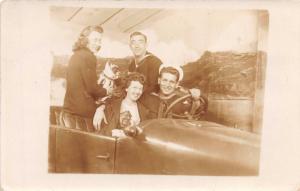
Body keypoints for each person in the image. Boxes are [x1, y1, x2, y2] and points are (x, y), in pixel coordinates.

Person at [60, 25, 112, 132]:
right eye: (95, 40)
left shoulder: (76, 55)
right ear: (86, 40)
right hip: (83, 111)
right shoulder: (89, 57)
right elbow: (92, 88)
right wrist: (107, 90)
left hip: (70, 108)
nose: (98, 44)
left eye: (99, 40)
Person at [140, 66, 208, 119]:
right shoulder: (148, 98)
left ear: (177, 84)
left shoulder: (183, 102)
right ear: (159, 80)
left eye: (171, 82)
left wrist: (196, 99)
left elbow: (197, 113)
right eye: (165, 80)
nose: (167, 85)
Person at [99, 72, 150, 136]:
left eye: (140, 89)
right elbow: (104, 131)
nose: (137, 92)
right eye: (134, 87)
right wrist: (100, 109)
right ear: (126, 88)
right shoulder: (112, 106)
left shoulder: (144, 110)